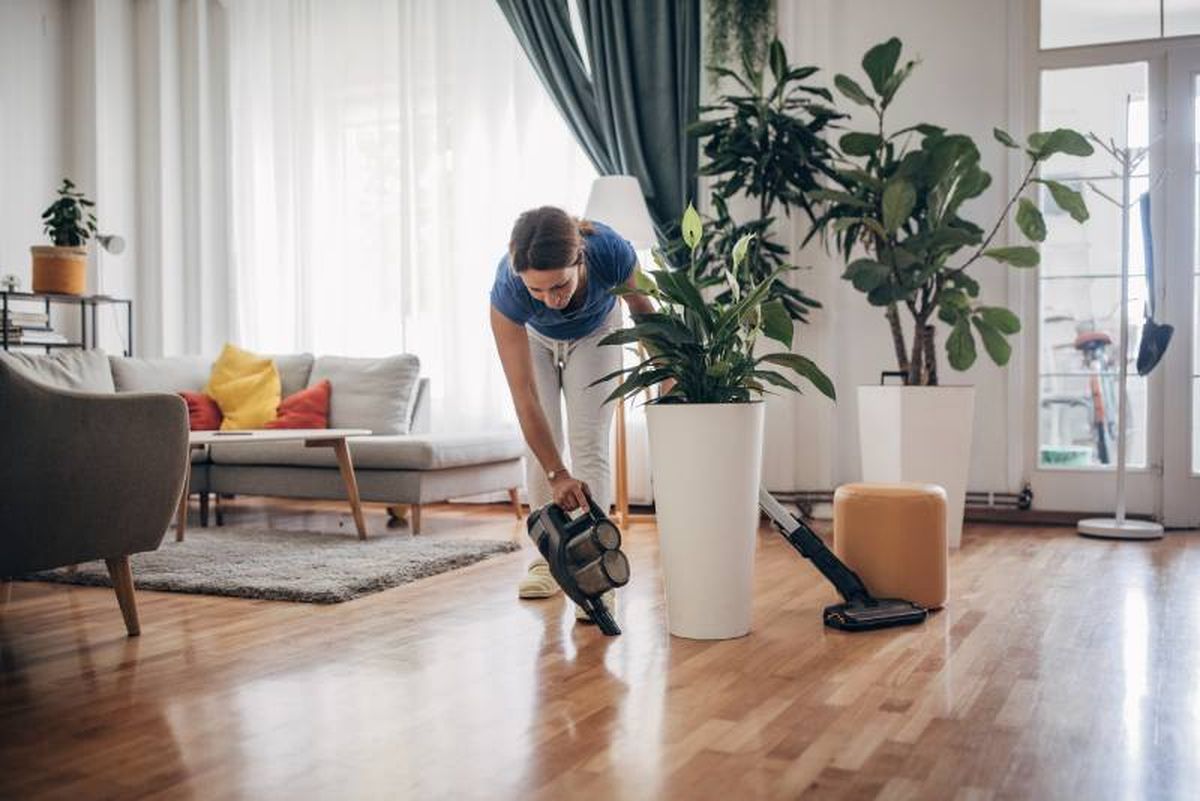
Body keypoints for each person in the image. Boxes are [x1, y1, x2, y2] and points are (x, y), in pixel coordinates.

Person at [490, 205, 656, 621]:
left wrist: (674, 380)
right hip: (535, 338)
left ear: (580, 258)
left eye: (560, 285)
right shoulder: (508, 288)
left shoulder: (610, 251)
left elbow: (645, 314)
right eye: (538, 291)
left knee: (589, 443)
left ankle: (594, 571)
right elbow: (524, 397)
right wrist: (556, 474)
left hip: (596, 331)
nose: (552, 299)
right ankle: (548, 560)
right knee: (542, 450)